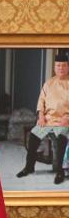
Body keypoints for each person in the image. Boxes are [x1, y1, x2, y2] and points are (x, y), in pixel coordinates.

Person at [17, 49, 69, 185]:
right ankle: (29, 167)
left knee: (61, 139)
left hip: (64, 120)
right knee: (34, 136)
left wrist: (67, 118)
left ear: (68, 67)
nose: (61, 68)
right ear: (55, 67)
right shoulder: (48, 83)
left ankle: (60, 171)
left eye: (64, 65)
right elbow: (41, 102)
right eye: (58, 65)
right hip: (47, 119)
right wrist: (41, 116)